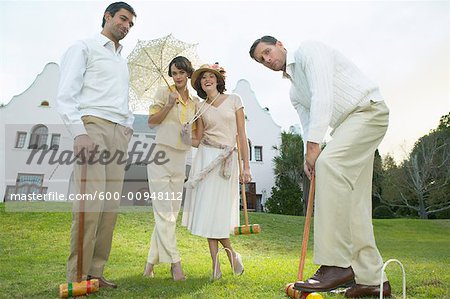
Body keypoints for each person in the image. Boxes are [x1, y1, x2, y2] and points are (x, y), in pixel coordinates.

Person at [249, 36, 391, 298]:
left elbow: (322, 94)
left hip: (368, 112)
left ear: (280, 44)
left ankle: (336, 264)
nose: (268, 60)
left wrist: (317, 151)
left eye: (268, 52)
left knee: (330, 164)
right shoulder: (294, 92)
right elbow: (308, 123)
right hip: (347, 127)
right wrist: (308, 155)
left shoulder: (308, 51)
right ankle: (373, 279)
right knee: (354, 204)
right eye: (262, 60)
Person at [56, 2, 136, 289]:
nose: (126, 26)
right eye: (123, 19)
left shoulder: (121, 60)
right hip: (92, 127)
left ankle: (95, 272)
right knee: (90, 206)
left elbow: (124, 100)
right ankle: (77, 277)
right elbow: (66, 94)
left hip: (118, 134)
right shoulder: (84, 47)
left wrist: (126, 127)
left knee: (109, 208)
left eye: (130, 24)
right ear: (108, 16)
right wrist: (79, 133)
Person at [181, 64, 252, 280]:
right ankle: (216, 267)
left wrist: (246, 166)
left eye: (211, 76)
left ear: (218, 80)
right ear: (200, 84)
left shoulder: (234, 100)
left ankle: (232, 257)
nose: (207, 80)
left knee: (218, 215)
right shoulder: (199, 107)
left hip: (226, 162)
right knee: (207, 214)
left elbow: (242, 135)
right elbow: (198, 139)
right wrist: (184, 135)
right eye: (203, 78)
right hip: (204, 159)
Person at [143, 56, 199, 281]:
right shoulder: (163, 92)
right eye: (174, 73)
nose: (177, 77)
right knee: (163, 211)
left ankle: (149, 264)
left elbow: (195, 134)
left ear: (188, 74)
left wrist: (189, 135)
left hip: (180, 157)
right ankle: (176, 264)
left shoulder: (194, 102)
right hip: (160, 155)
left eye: (181, 73)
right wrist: (168, 105)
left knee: (170, 214)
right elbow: (151, 122)